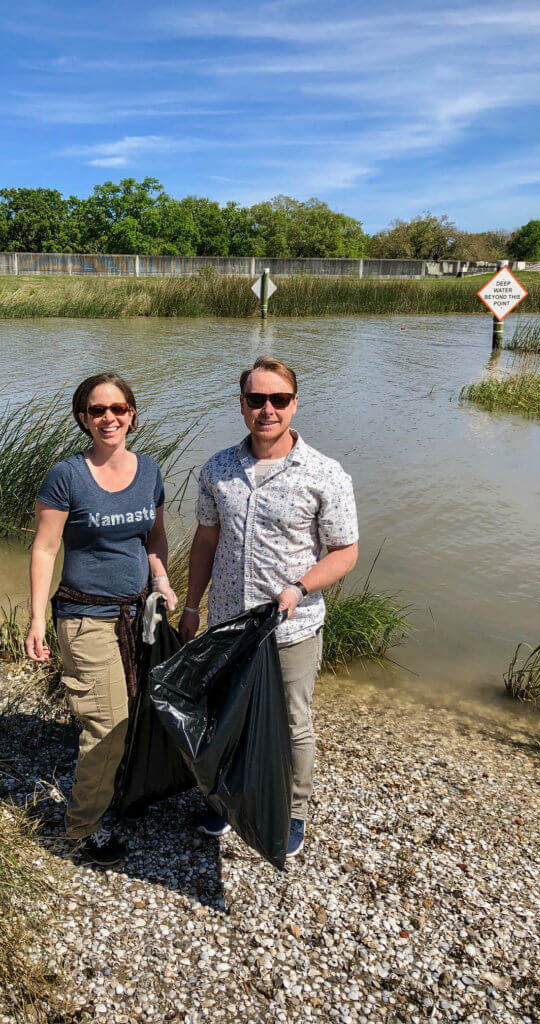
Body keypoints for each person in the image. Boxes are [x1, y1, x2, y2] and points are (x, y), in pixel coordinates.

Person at [179, 356, 358, 858]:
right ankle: (222, 800)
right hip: (229, 623)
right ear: (242, 406)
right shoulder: (217, 468)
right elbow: (205, 541)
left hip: (292, 626)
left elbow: (345, 552)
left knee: (293, 723)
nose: (267, 409)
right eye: (256, 399)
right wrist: (192, 606)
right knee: (224, 714)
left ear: (294, 404)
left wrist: (299, 588)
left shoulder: (324, 474)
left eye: (278, 399)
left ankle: (291, 811)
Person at [26, 372, 176, 866]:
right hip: (84, 617)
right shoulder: (66, 475)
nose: (108, 417)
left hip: (137, 614)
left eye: (117, 408)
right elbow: (45, 548)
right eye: (97, 410)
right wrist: (35, 620)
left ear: (132, 414)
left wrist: (162, 580)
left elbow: (153, 539)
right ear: (82, 418)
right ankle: (80, 830)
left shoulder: (150, 470)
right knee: (107, 723)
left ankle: (120, 793)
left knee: (135, 712)